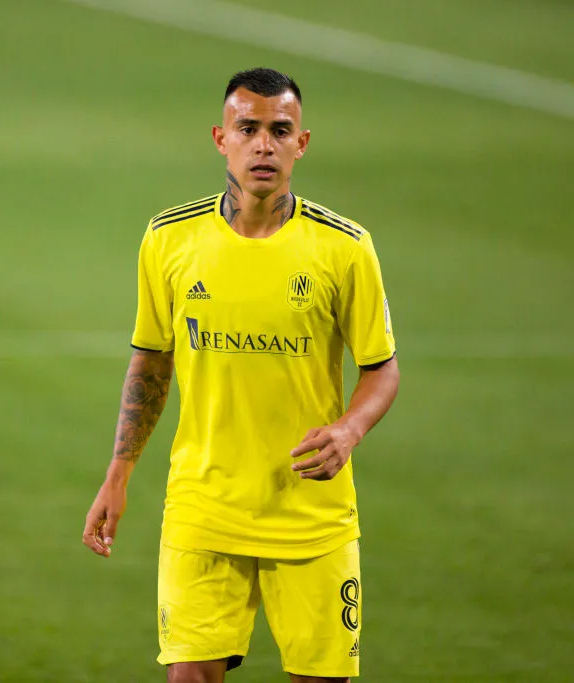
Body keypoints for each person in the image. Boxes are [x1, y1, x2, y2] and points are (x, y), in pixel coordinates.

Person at [82, 67, 401, 683]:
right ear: (220, 138)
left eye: (279, 131)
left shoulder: (345, 248)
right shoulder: (169, 239)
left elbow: (381, 368)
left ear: (301, 144)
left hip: (311, 516)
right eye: (247, 128)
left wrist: (349, 430)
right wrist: (117, 476)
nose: (263, 145)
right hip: (203, 508)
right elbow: (151, 360)